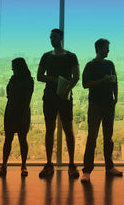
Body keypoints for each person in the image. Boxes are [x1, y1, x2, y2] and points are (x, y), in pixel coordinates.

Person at [37, 28, 80, 179]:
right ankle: (50, 163)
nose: (52, 40)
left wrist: (65, 89)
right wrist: (55, 80)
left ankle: (71, 164)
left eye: (54, 37)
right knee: (50, 129)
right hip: (51, 96)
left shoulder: (71, 56)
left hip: (63, 96)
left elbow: (76, 77)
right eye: (50, 37)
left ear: (61, 38)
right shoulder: (46, 56)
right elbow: (39, 76)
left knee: (68, 129)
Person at [80, 38, 123, 183]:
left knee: (108, 138)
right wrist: (102, 81)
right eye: (106, 48)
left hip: (108, 104)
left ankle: (109, 167)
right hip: (95, 105)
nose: (108, 50)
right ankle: (86, 171)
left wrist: (115, 97)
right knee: (92, 137)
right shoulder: (90, 65)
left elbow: (115, 80)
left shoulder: (110, 64)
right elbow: (85, 84)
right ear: (99, 49)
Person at [0, 58, 34, 177]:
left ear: (18, 67)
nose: (12, 69)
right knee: (18, 139)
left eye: (13, 66)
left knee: (14, 139)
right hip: (17, 110)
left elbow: (27, 98)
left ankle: (7, 165)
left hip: (16, 110)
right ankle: (21, 166)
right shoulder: (25, 80)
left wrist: (23, 114)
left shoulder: (21, 80)